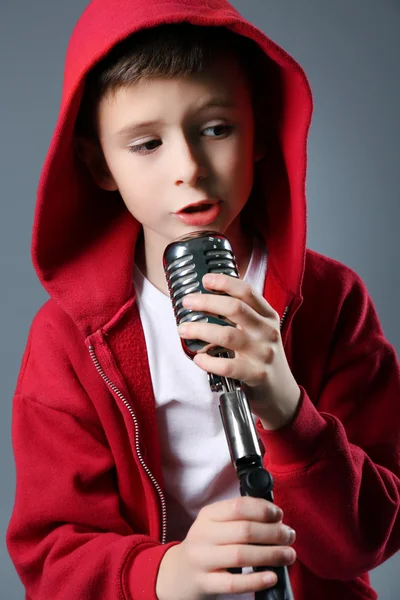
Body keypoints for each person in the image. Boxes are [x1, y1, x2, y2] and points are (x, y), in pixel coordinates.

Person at [6, 0, 400, 599]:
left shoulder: (332, 302)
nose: (188, 168)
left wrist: (289, 409)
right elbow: (52, 557)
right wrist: (165, 574)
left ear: (260, 129)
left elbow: (369, 535)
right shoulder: (67, 341)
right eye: (145, 144)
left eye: (216, 128)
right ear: (98, 163)